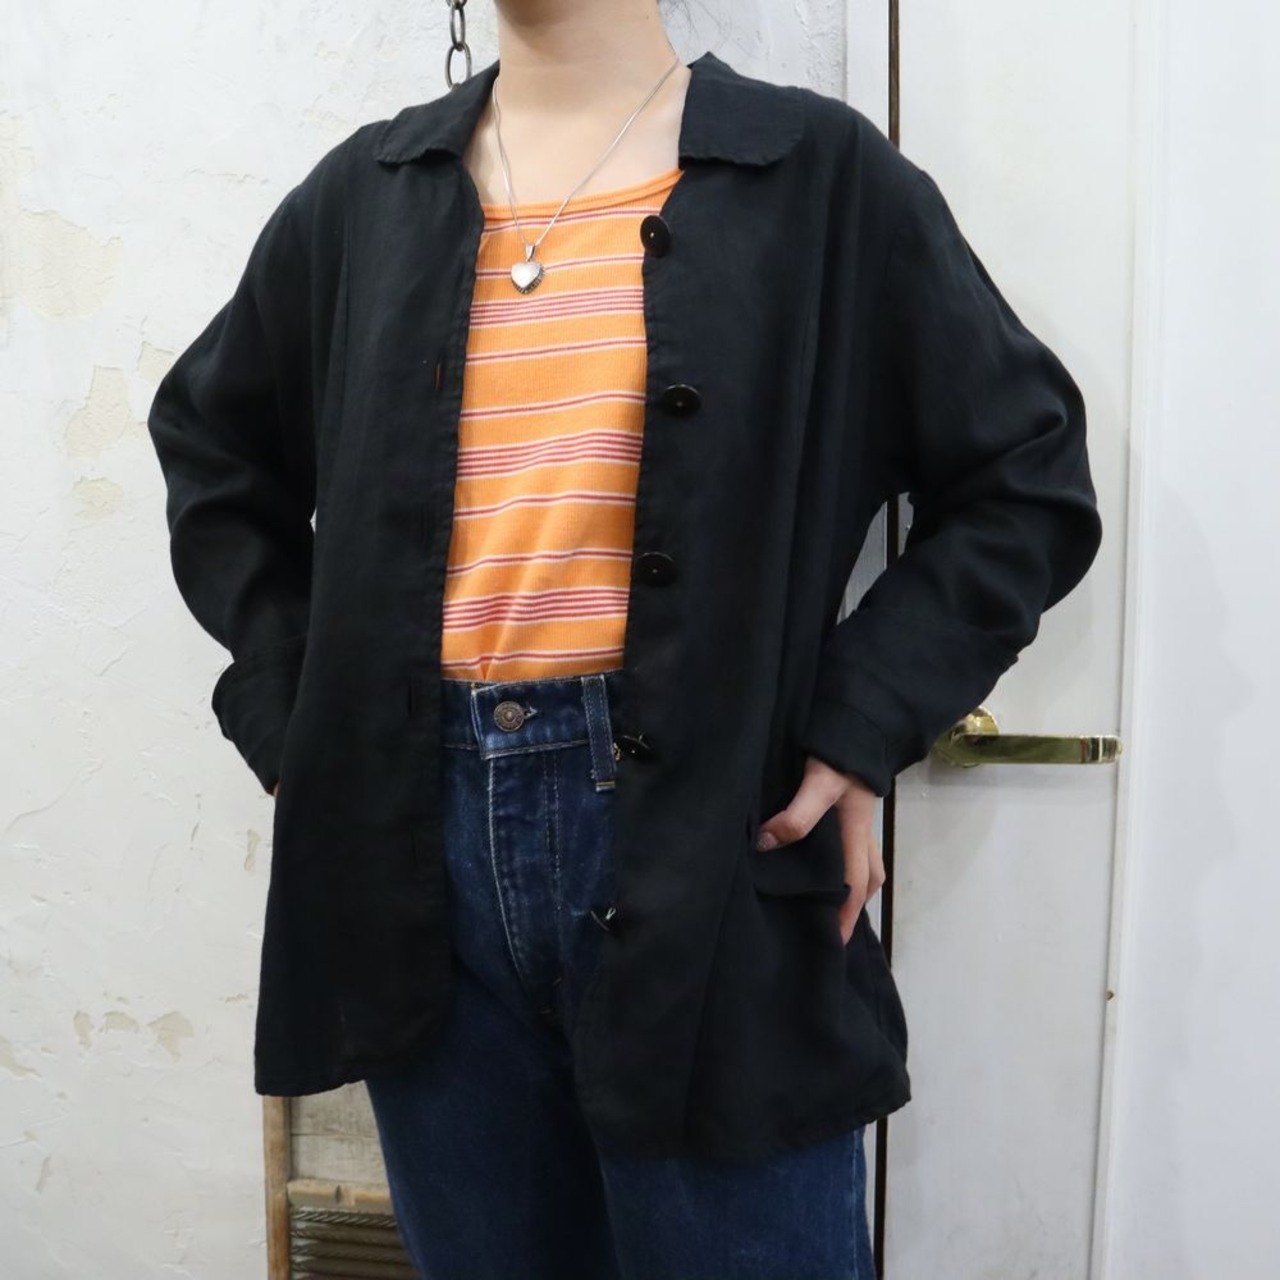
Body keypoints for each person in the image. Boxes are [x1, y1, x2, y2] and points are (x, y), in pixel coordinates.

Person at [146, 0, 1103, 1276]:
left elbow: (1021, 477)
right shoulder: (363, 199)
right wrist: (298, 725)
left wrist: (862, 718)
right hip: (415, 863)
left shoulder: (818, 179)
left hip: (716, 842)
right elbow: (215, 456)